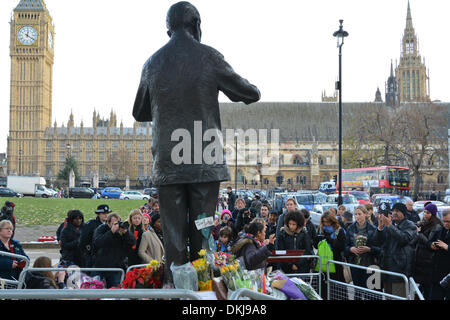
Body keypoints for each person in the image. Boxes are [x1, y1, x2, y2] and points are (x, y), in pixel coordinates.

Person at [132, 1, 260, 284]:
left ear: (169, 30)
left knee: (174, 239)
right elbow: (248, 93)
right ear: (197, 26)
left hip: (168, 164)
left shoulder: (152, 63)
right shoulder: (209, 57)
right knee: (202, 236)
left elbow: (139, 111)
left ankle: (174, 290)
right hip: (204, 161)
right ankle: (200, 293)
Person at [373, 202, 417, 298]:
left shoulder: (410, 225)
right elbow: (376, 242)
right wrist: (380, 228)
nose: (394, 213)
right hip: (387, 268)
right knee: (388, 296)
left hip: (399, 270)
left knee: (398, 296)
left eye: (397, 211)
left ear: (404, 213)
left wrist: (389, 225)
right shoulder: (390, 225)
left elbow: (404, 239)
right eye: (393, 211)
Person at [344, 205, 381, 298]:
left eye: (359, 214)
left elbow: (379, 248)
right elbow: (345, 246)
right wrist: (350, 249)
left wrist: (369, 249)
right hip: (355, 264)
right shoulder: (350, 228)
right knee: (357, 291)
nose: (357, 216)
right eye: (355, 214)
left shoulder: (373, 229)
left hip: (369, 264)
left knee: (370, 291)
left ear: (365, 214)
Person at [92, 213, 136, 288]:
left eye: (118, 223)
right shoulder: (101, 229)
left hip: (116, 268)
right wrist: (111, 232)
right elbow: (98, 242)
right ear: (108, 223)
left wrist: (126, 233)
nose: (117, 226)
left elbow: (132, 242)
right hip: (100, 267)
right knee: (97, 291)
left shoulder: (122, 232)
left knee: (115, 291)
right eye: (114, 223)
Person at [412, 203, 443, 299]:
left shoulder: (436, 225)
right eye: (424, 212)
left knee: (427, 287)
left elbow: (429, 243)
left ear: (433, 214)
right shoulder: (424, 222)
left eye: (428, 212)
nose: (425, 214)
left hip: (429, 260)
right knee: (423, 286)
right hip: (421, 259)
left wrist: (419, 233)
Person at [276, 210, 314, 274]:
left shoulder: (304, 233)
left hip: (302, 267)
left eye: (294, 224)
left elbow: (307, 250)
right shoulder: (282, 234)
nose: (291, 226)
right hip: (286, 267)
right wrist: (290, 264)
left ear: (298, 224)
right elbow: (281, 250)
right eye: (290, 224)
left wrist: (297, 264)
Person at [79, 204, 111, 268]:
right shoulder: (91, 224)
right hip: (92, 255)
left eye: (107, 213)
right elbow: (83, 240)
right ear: (98, 214)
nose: (106, 215)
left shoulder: (112, 225)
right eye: (103, 213)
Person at [427, 211, 450, 300]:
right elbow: (429, 242)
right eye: (444, 221)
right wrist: (431, 245)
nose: (445, 224)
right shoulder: (440, 230)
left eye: (448, 221)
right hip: (437, 273)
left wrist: (447, 247)